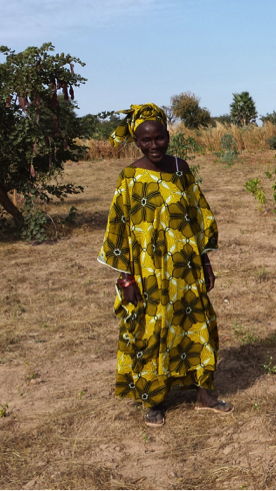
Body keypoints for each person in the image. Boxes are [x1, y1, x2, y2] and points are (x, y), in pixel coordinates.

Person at [98, 103, 232, 427]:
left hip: (185, 270)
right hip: (149, 273)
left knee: (197, 326)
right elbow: (120, 228)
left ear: (168, 136)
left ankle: (204, 394)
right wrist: (126, 278)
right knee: (151, 332)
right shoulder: (129, 178)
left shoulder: (181, 169)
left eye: (159, 138)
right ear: (137, 141)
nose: (154, 146)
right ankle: (154, 400)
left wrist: (205, 260)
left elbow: (197, 216)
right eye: (146, 140)